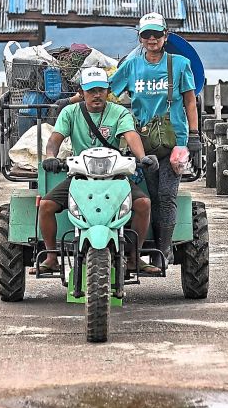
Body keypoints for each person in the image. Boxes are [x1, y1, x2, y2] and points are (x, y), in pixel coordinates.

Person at [35, 66, 156, 275]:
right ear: (81, 92)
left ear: (108, 91)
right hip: (81, 176)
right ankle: (51, 256)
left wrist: (142, 157)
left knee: (143, 204)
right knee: (45, 205)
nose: (96, 95)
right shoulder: (70, 112)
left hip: (115, 175)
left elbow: (130, 135)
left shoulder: (119, 113)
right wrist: (51, 157)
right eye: (91, 90)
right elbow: (54, 140)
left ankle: (134, 257)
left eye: (101, 90)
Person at [109, 12, 201, 259]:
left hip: (176, 141)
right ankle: (144, 247)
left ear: (165, 36)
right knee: (149, 195)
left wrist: (194, 136)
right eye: (146, 34)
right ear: (140, 38)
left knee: (166, 194)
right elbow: (107, 92)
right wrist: (74, 100)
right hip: (144, 141)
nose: (152, 39)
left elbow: (190, 102)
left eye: (157, 34)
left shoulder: (180, 64)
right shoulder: (131, 66)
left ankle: (163, 249)